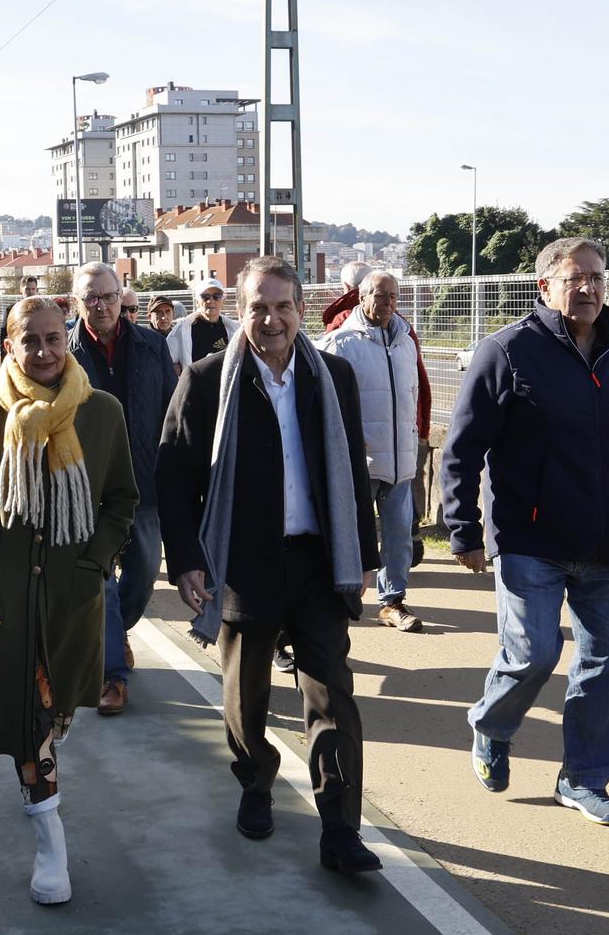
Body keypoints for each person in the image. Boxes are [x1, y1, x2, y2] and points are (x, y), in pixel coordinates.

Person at [157, 258, 382, 875]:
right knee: (244, 696)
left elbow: (353, 476)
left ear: (301, 311)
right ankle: (256, 779)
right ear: (240, 310)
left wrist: (364, 556)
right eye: (259, 306)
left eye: (283, 306)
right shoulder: (207, 381)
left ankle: (340, 829)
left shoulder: (331, 376)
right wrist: (188, 562)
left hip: (316, 559)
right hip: (242, 564)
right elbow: (174, 475)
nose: (272, 319)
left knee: (331, 696)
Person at [441, 237, 609, 826]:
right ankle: (492, 724)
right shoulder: (508, 351)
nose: (588, 288)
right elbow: (463, 449)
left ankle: (583, 778)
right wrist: (464, 528)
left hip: (608, 542)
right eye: (575, 279)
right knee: (534, 653)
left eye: (596, 276)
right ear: (545, 287)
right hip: (530, 540)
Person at [0, 297, 138, 905]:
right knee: (29, 718)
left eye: (54, 339)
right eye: (31, 341)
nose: (45, 352)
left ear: (67, 340)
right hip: (8, 599)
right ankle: (49, 837)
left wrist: (93, 563)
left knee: (58, 711)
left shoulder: (102, 413)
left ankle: (41, 784)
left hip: (74, 595)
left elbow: (121, 499)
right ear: (8, 346)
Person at [67, 262, 175, 715]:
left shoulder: (152, 346)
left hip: (144, 482)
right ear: (77, 302)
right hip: (86, 488)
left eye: (108, 296)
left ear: (121, 296)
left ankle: (115, 631)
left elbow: (174, 413)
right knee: (99, 581)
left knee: (144, 572)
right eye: (91, 297)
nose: (101, 304)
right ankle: (112, 675)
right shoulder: (64, 352)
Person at [318, 269, 424, 632]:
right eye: (380, 296)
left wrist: (414, 435)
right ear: (361, 297)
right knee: (350, 535)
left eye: (393, 296)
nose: (388, 303)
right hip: (359, 462)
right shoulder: (340, 343)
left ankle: (393, 601)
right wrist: (345, 438)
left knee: (398, 536)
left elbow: (413, 396)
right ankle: (339, 599)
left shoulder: (407, 341)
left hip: (400, 460)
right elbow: (322, 403)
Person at [166, 276, 237, 373]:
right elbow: (167, 361)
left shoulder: (235, 330)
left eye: (217, 296)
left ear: (223, 301)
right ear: (197, 302)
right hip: (195, 386)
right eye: (205, 297)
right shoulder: (181, 330)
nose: (211, 300)